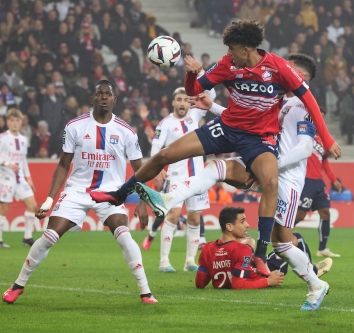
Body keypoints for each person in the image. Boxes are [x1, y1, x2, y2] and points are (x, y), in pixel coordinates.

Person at [90, 21, 341, 278]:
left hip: (258, 139)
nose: (228, 54)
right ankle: (119, 194)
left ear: (246, 49)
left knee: (271, 181)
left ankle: (261, 254)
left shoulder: (277, 67)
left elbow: (309, 99)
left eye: (232, 49)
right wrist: (192, 74)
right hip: (226, 128)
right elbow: (194, 90)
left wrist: (328, 138)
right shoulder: (227, 65)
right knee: (164, 154)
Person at [135, 53, 332, 310]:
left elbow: (306, 149)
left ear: (300, 77)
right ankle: (169, 198)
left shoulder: (304, 107)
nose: (281, 73)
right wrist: (212, 108)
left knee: (282, 243)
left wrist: (270, 168)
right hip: (262, 164)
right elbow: (246, 119)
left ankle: (316, 284)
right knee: (217, 167)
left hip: (286, 180)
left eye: (290, 71)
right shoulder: (280, 99)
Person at [1, 80, 157, 305]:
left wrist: (143, 201)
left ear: (114, 99)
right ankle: (18, 284)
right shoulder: (74, 126)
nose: (104, 97)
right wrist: (49, 199)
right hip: (76, 191)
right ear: (93, 99)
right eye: (99, 93)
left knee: (124, 236)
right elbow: (63, 165)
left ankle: (145, 292)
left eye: (108, 94)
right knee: (49, 237)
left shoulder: (126, 132)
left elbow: (139, 170)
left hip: (111, 194)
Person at [140, 86, 219, 273]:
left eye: (185, 100)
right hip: (177, 176)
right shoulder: (165, 124)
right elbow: (156, 146)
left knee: (194, 218)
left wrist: (202, 77)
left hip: (198, 176)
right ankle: (164, 262)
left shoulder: (195, 113)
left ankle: (190, 261)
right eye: (179, 100)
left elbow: (212, 95)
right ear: (173, 102)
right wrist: (157, 169)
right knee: (173, 215)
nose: (183, 103)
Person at [196, 207, 285, 289]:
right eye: (242, 222)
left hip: (243, 267)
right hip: (264, 273)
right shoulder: (242, 250)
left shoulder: (207, 248)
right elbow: (238, 285)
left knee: (249, 240)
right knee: (291, 243)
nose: (247, 225)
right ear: (229, 226)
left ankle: (252, 257)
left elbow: (200, 283)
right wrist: (268, 281)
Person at [294, 106, 342, 258]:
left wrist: (334, 179)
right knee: (300, 215)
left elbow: (325, 162)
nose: (319, 118)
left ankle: (322, 248)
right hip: (305, 180)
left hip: (318, 182)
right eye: (317, 115)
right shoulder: (301, 133)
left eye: (321, 116)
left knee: (325, 213)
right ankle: (280, 235)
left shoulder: (322, 138)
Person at [0, 108, 37, 248]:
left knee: (32, 206)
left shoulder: (23, 139)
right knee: (3, 208)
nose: (15, 123)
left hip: (20, 179)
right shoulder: (1, 138)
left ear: (21, 122)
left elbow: (23, 160)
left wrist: (29, 178)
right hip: (6, 178)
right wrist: (7, 164)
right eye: (12, 120)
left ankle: (27, 238)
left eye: (17, 120)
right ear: (7, 122)